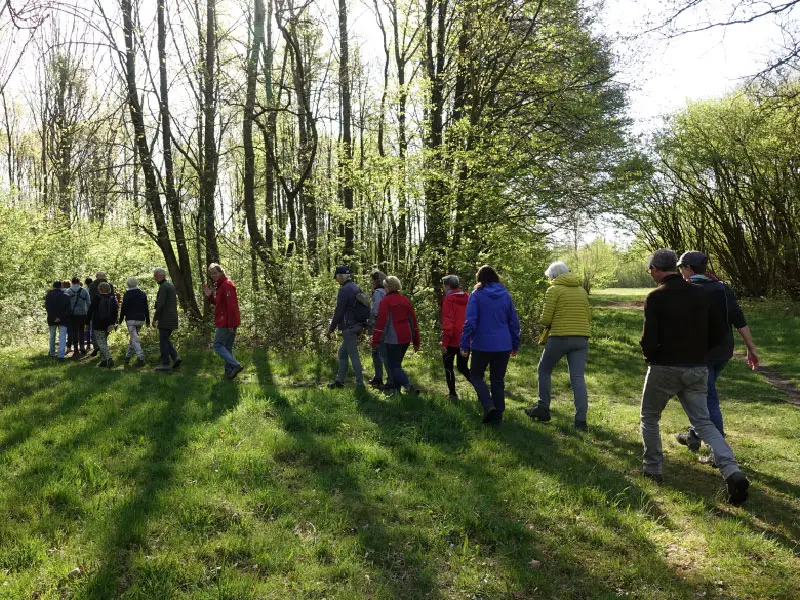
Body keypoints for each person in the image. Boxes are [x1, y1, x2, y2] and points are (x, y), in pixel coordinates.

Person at [638, 249, 749, 504]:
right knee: (703, 423)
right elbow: (719, 330)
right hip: (698, 367)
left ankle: (652, 469)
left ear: (657, 269)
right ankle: (732, 470)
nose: (650, 273)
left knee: (650, 417)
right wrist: (700, 352)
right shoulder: (700, 294)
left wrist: (651, 356)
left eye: (650, 269)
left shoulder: (656, 296)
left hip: (664, 367)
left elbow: (648, 337)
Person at [674, 251, 759, 463]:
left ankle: (719, 453)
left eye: (681, 268)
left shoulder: (686, 289)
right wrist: (751, 347)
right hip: (723, 352)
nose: (680, 272)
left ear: (689, 268)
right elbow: (738, 318)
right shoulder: (722, 287)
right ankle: (694, 435)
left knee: (707, 398)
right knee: (702, 393)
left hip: (700, 354)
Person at [525, 262, 592, 430]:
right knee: (577, 377)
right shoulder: (581, 291)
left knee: (544, 370)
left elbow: (546, 320)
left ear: (553, 276)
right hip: (581, 338)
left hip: (560, 336)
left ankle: (543, 408)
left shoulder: (554, 290)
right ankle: (581, 420)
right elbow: (588, 316)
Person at [460, 265, 520, 425]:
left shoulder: (477, 295)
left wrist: (464, 343)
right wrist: (515, 344)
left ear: (479, 278)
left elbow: (470, 321)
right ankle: (498, 416)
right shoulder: (505, 295)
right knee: (498, 380)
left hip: (482, 344)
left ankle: (488, 406)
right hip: (503, 344)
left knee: (476, 375)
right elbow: (514, 322)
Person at [371, 276, 420, 395]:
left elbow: (382, 323)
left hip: (393, 338)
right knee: (397, 365)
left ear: (388, 287)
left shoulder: (386, 301)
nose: (384, 289)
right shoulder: (404, 299)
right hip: (406, 337)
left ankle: (409, 387)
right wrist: (416, 340)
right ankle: (397, 392)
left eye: (385, 287)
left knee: (394, 367)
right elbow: (413, 320)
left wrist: (375, 340)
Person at [327, 266, 368, 388]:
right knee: (342, 353)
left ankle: (360, 384)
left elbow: (339, 311)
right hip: (358, 325)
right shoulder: (356, 287)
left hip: (349, 327)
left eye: (336, 277)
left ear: (341, 276)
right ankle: (339, 381)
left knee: (354, 355)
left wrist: (331, 329)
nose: (336, 280)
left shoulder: (343, 290)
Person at [203, 263, 243, 380]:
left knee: (217, 345)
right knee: (227, 347)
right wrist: (210, 296)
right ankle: (228, 373)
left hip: (227, 321)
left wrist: (230, 324)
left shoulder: (227, 285)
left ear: (221, 272)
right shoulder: (220, 286)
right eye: (211, 274)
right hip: (227, 320)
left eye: (215, 273)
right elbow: (220, 304)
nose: (213, 275)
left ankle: (235, 365)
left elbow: (231, 307)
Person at [440, 274, 470, 401]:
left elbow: (448, 322)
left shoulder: (448, 299)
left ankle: (452, 394)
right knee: (463, 367)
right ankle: (481, 389)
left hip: (452, 339)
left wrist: (444, 343)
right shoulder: (468, 297)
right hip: (466, 338)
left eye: (443, 285)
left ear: (447, 286)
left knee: (448, 366)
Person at [152, 267, 181, 372]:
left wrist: (155, 319)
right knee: (165, 340)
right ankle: (175, 357)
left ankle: (165, 364)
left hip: (165, 318)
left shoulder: (164, 287)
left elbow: (160, 305)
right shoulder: (170, 285)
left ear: (161, 276)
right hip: (172, 317)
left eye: (156, 276)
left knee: (163, 342)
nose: (154, 278)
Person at [367, 270, 392, 389]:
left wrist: (370, 322)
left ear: (377, 281)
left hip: (379, 326)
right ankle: (378, 377)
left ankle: (388, 380)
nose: (371, 282)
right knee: (379, 352)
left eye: (372, 280)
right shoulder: (388, 292)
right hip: (389, 325)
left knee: (379, 352)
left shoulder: (377, 292)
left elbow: (376, 310)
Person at [119, 276, 150, 367]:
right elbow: (146, 308)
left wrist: (120, 320)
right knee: (133, 339)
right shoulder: (143, 293)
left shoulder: (127, 294)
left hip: (131, 320)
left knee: (135, 339)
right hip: (141, 319)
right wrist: (148, 321)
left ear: (128, 284)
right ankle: (127, 358)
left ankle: (141, 358)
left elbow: (123, 308)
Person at [86, 281, 118, 368]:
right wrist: (113, 323)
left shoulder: (96, 298)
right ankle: (103, 361)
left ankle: (109, 359)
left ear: (99, 289)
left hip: (98, 323)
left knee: (101, 343)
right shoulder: (112, 299)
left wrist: (87, 323)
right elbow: (115, 313)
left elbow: (90, 311)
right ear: (109, 289)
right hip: (109, 324)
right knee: (103, 342)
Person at [88, 272, 115, 356]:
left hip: (96, 312)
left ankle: (97, 347)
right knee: (106, 331)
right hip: (108, 313)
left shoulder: (92, 285)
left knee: (95, 331)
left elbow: (91, 298)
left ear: (96, 277)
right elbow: (112, 297)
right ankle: (102, 349)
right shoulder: (109, 285)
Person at [64, 277, 90, 358]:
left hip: (72, 314)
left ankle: (75, 349)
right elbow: (88, 303)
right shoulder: (84, 291)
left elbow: (65, 304)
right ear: (79, 282)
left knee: (74, 331)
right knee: (81, 330)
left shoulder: (68, 291)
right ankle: (82, 347)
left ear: (72, 282)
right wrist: (89, 314)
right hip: (82, 313)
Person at [45, 281, 70, 361]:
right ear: (61, 287)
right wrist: (60, 317)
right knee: (62, 337)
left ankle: (52, 353)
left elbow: (48, 308)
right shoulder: (66, 296)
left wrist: (54, 317)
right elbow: (68, 310)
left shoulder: (48, 296)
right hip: (63, 319)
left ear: (53, 286)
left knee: (52, 336)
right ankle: (61, 355)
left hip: (51, 319)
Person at [84, 277, 94, 350]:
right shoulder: (95, 290)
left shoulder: (84, 291)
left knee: (87, 327)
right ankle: (93, 343)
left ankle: (88, 344)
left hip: (86, 311)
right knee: (93, 328)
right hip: (93, 311)